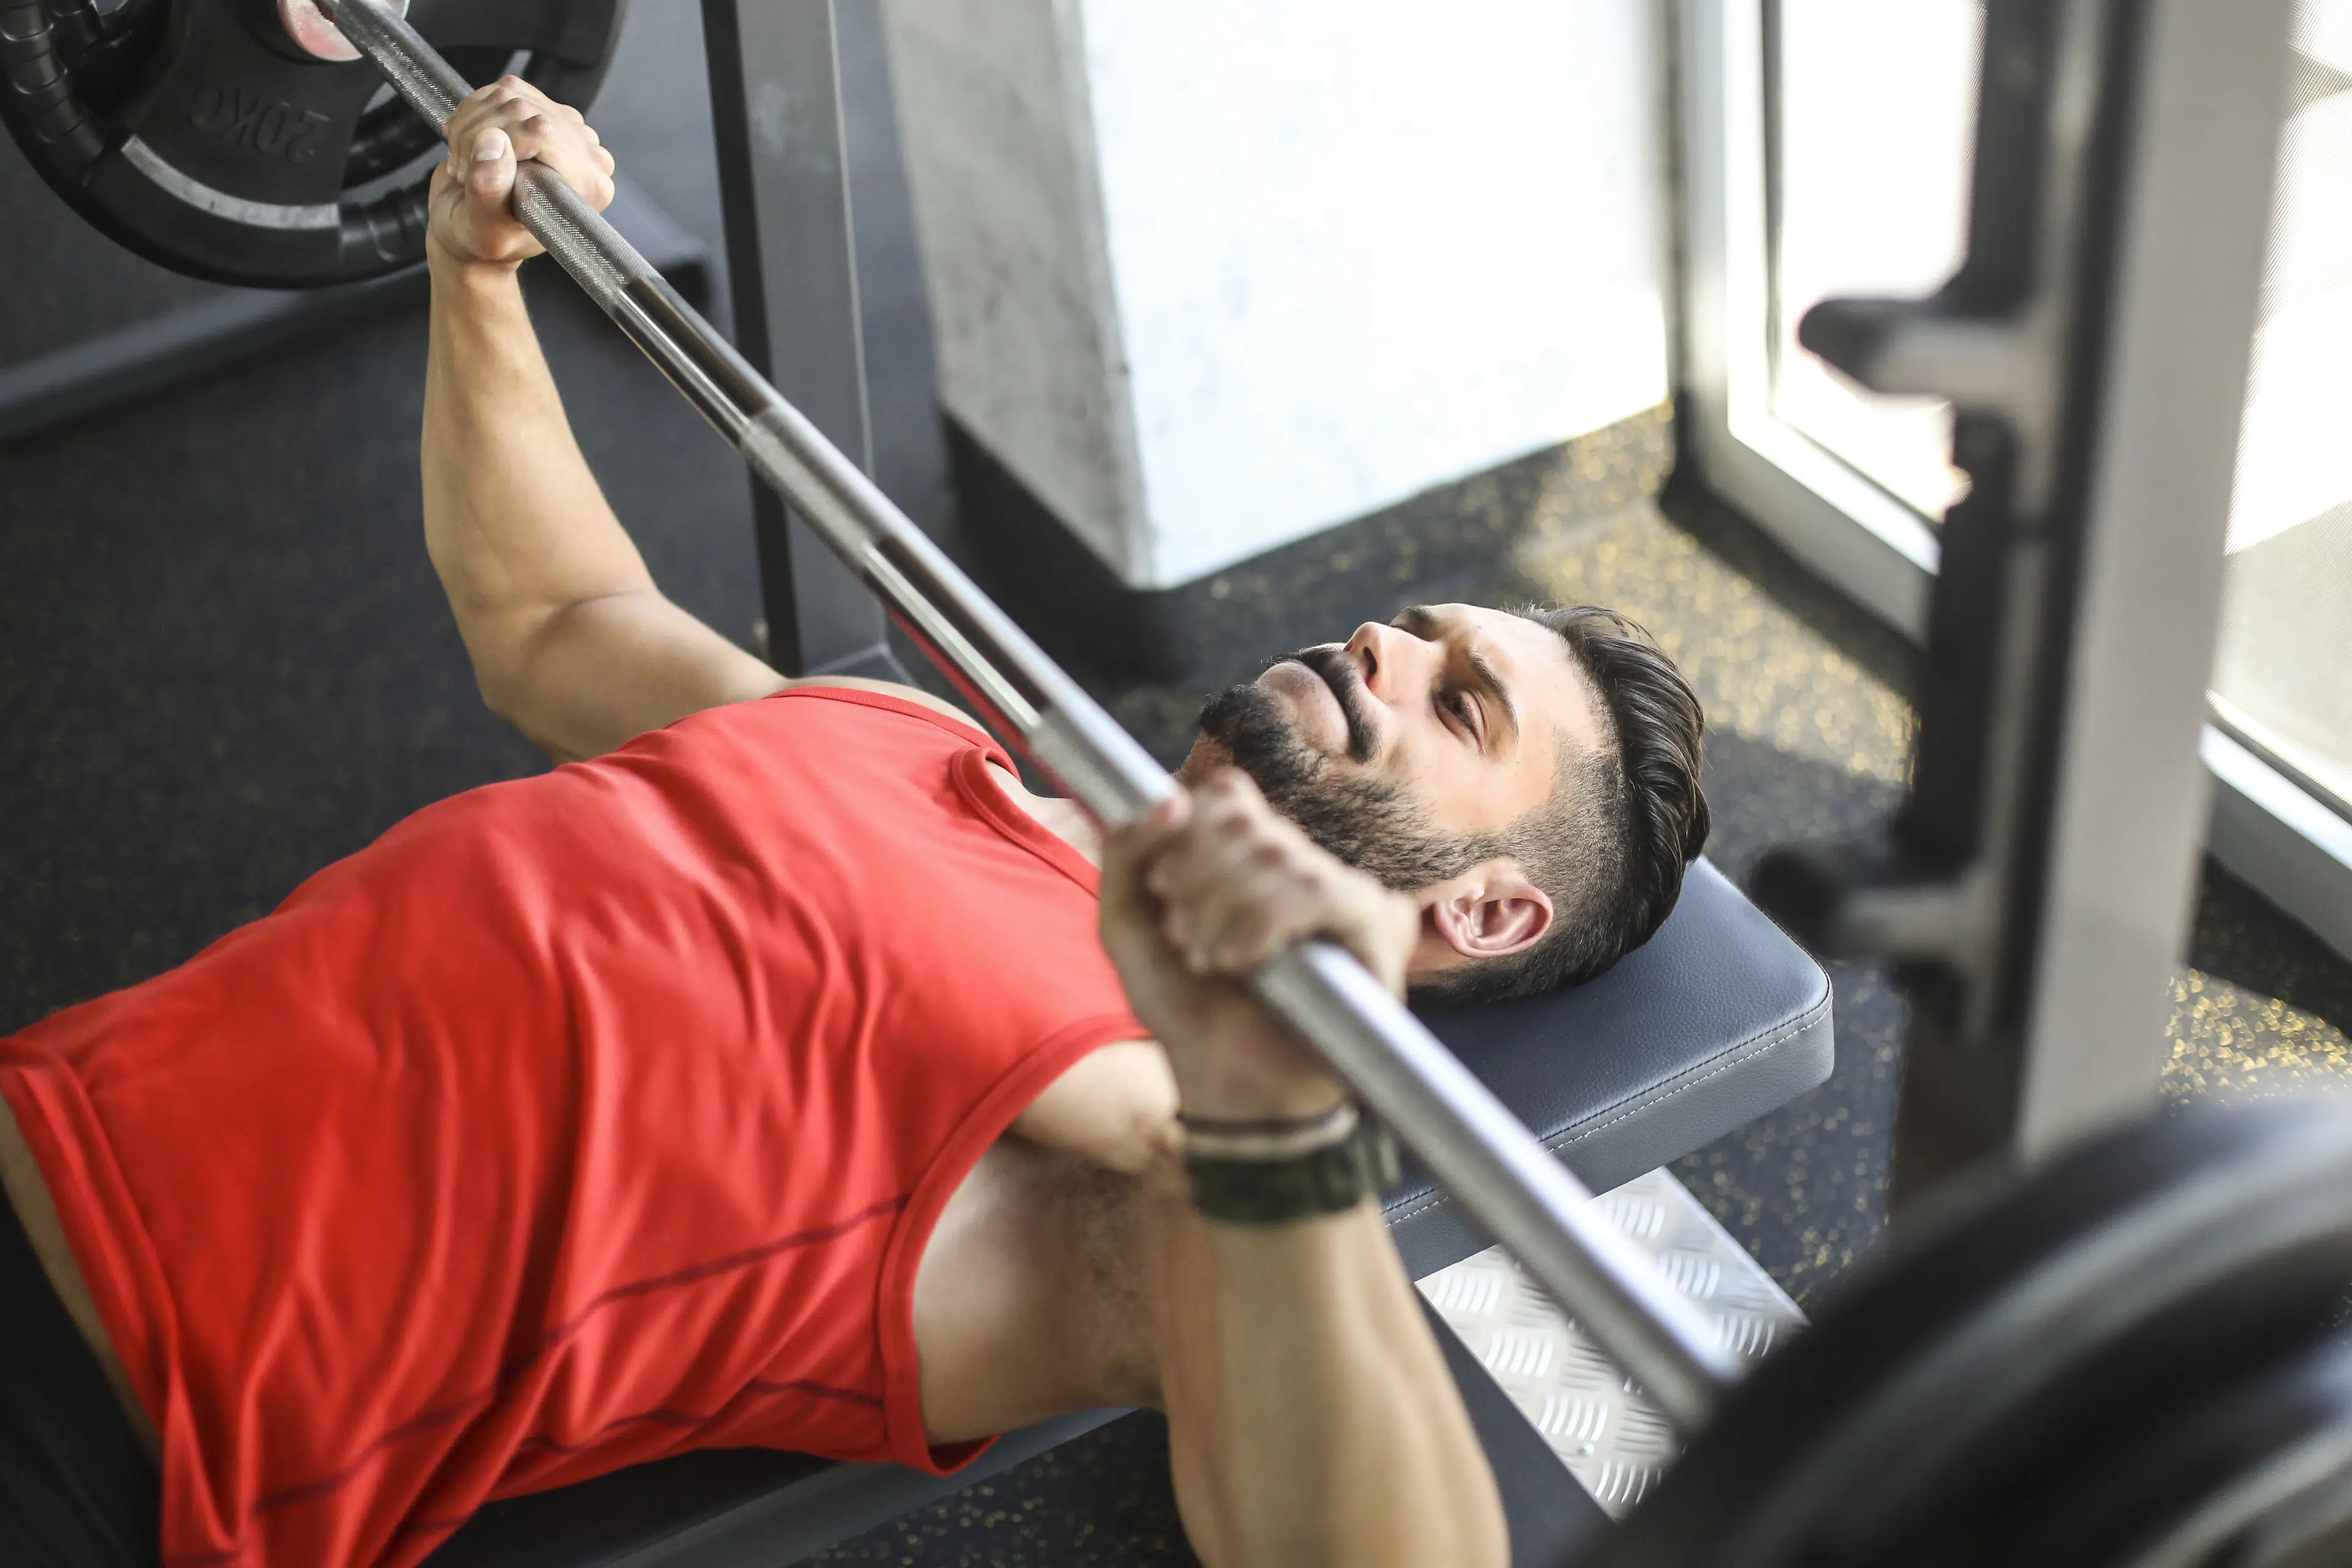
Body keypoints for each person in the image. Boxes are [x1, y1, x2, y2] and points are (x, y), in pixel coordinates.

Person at [0, 79, 1708, 1568]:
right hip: (42, 1103)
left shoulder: (1167, 1114)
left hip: (98, 1416)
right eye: (1423, 629)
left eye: (1462, 701)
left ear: (1487, 911)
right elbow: (552, 628)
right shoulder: (921, 738)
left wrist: (1276, 1103)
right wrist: (477, 282)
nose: (1388, 644)